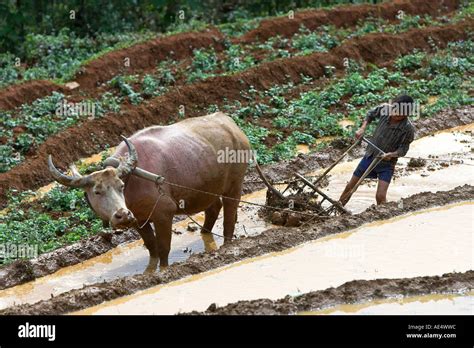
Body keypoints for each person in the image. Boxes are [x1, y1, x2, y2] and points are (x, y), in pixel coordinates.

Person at [339, 95, 416, 206]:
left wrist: (393, 154)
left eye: (399, 115)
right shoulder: (385, 109)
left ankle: (383, 215)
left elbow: (403, 149)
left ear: (406, 115)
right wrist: (362, 128)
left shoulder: (408, 129)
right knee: (350, 186)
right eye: (394, 111)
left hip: (386, 164)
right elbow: (370, 114)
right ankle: (339, 207)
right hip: (370, 156)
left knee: (380, 196)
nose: (395, 115)